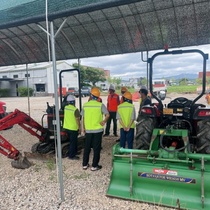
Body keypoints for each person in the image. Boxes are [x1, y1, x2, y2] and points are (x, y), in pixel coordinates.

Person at [81, 87, 109, 171]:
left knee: (87, 147)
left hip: (88, 130)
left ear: (91, 95)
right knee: (96, 148)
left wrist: (83, 129)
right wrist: (104, 121)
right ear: (98, 97)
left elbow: (83, 118)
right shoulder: (100, 105)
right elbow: (107, 115)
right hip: (98, 130)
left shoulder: (85, 105)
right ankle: (94, 166)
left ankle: (85, 165)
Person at [63, 94, 81, 160]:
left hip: (67, 127)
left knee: (72, 141)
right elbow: (77, 120)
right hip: (73, 128)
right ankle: (71, 156)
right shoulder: (75, 110)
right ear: (74, 102)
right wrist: (79, 127)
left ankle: (74, 152)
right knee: (73, 142)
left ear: (68, 102)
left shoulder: (66, 108)